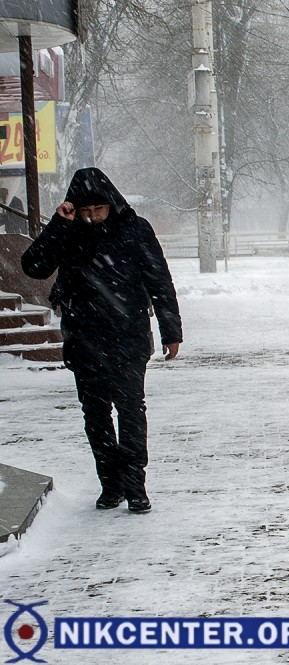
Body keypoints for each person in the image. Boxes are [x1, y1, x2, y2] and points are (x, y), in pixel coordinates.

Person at [21, 167, 182, 514]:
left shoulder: (135, 229)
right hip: (84, 338)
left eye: (99, 210)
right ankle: (110, 484)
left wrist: (171, 331)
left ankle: (135, 485)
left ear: (111, 203)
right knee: (95, 414)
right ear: (74, 208)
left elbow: (159, 281)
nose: (92, 218)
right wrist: (58, 224)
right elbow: (33, 266)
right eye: (85, 211)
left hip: (128, 337)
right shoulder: (67, 232)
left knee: (130, 411)